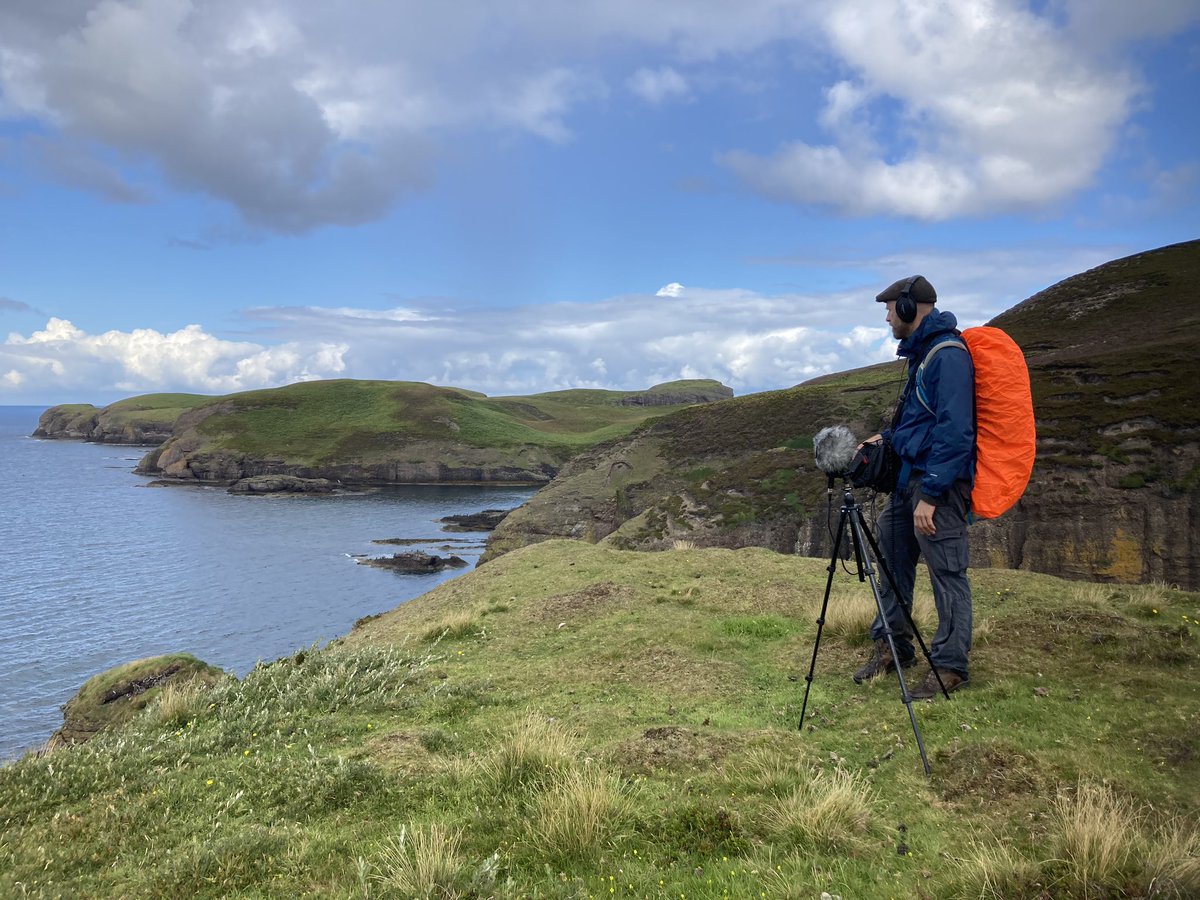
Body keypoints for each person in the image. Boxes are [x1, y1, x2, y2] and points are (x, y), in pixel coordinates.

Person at [853, 275, 975, 698]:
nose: (887, 318)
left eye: (890, 309)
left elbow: (956, 432)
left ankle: (949, 666)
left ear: (909, 308)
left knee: (947, 574)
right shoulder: (921, 356)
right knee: (891, 556)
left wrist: (933, 494)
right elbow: (917, 420)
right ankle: (893, 647)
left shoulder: (948, 356)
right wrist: (885, 439)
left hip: (935, 488)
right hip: (909, 484)